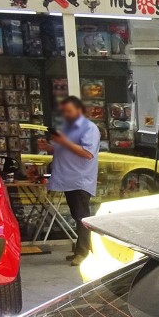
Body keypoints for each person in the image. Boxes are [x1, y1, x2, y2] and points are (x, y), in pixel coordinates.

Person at [46, 96, 100, 265]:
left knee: (82, 216)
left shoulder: (89, 128)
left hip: (80, 179)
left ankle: (84, 252)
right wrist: (51, 146)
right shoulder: (68, 128)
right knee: (77, 215)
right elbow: (65, 148)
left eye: (69, 111)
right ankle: (80, 249)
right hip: (68, 178)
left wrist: (63, 142)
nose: (66, 115)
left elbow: (87, 153)